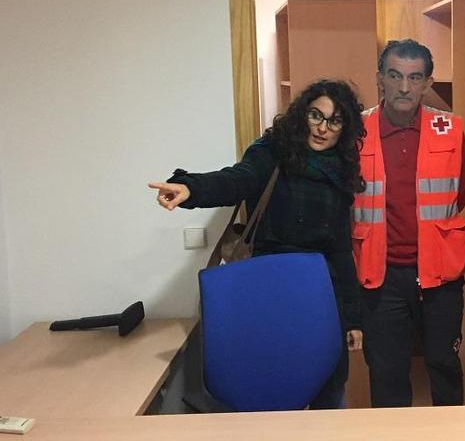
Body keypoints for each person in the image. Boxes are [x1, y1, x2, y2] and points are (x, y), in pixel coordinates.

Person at [148, 79, 366, 409]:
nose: (323, 128)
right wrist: (190, 188)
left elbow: (339, 249)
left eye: (334, 121)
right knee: (271, 391)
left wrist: (352, 319)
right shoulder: (273, 151)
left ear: (344, 128)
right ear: (301, 115)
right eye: (315, 116)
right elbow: (237, 180)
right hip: (270, 292)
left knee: (329, 391)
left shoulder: (340, 170)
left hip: (319, 298)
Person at [353, 39, 465, 407]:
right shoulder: (356, 131)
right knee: (387, 373)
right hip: (380, 275)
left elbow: (459, 194)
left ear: (427, 82)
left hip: (438, 272)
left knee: (443, 365)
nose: (404, 87)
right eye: (395, 75)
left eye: (415, 77)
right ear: (380, 79)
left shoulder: (450, 128)